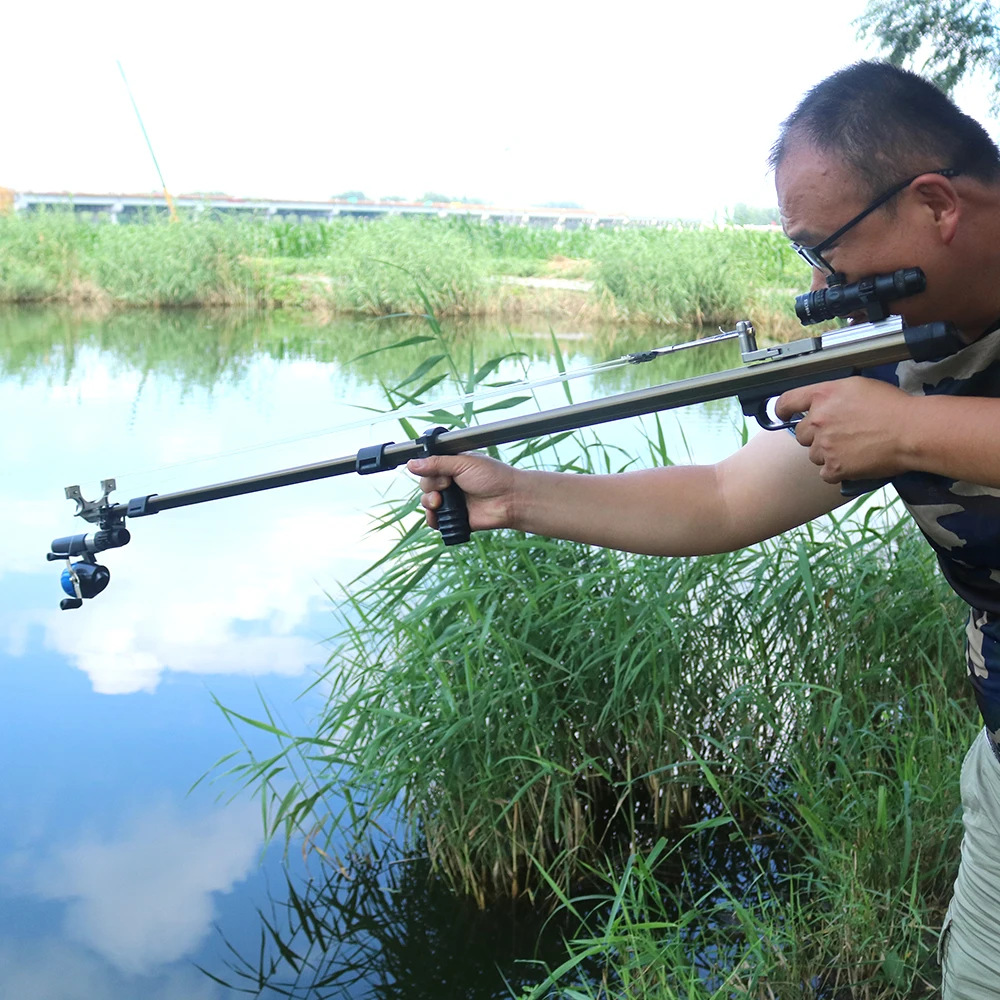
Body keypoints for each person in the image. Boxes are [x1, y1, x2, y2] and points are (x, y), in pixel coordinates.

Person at [409, 62, 1000, 997]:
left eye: (829, 249)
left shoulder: (902, 399)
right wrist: (513, 495)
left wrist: (912, 431)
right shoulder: (901, 350)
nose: (822, 285)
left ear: (935, 203)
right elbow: (723, 498)